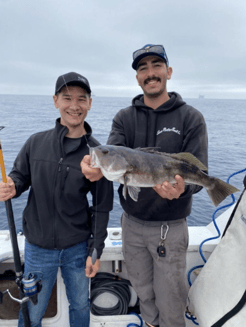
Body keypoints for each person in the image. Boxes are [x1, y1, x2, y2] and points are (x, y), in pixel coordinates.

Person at [81, 44, 208, 327]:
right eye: (142, 69)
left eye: (156, 66)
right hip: (132, 226)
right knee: (144, 293)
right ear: (137, 78)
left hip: (171, 228)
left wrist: (183, 189)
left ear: (168, 72)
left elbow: (199, 175)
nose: (150, 73)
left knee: (171, 299)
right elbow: (112, 157)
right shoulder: (124, 118)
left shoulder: (190, 117)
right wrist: (95, 169)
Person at [0, 72, 113, 327]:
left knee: (81, 305)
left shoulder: (99, 154)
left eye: (81, 99)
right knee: (32, 312)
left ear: (90, 103)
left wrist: (95, 250)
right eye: (67, 98)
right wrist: (12, 187)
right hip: (38, 248)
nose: (75, 106)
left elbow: (102, 206)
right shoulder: (35, 143)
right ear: (55, 101)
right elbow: (20, 176)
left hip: (77, 247)